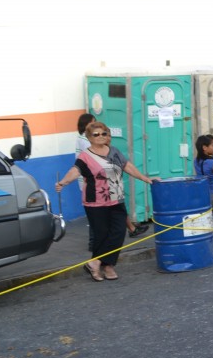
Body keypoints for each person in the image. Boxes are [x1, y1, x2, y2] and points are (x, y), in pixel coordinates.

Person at [55, 120, 156, 281]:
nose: (101, 137)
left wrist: (145, 178)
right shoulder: (85, 156)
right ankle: (106, 267)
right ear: (89, 137)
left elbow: (127, 166)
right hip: (95, 202)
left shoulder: (114, 151)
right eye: (96, 134)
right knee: (101, 235)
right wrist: (63, 182)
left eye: (104, 133)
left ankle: (97, 263)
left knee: (118, 233)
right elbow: (76, 171)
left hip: (117, 199)